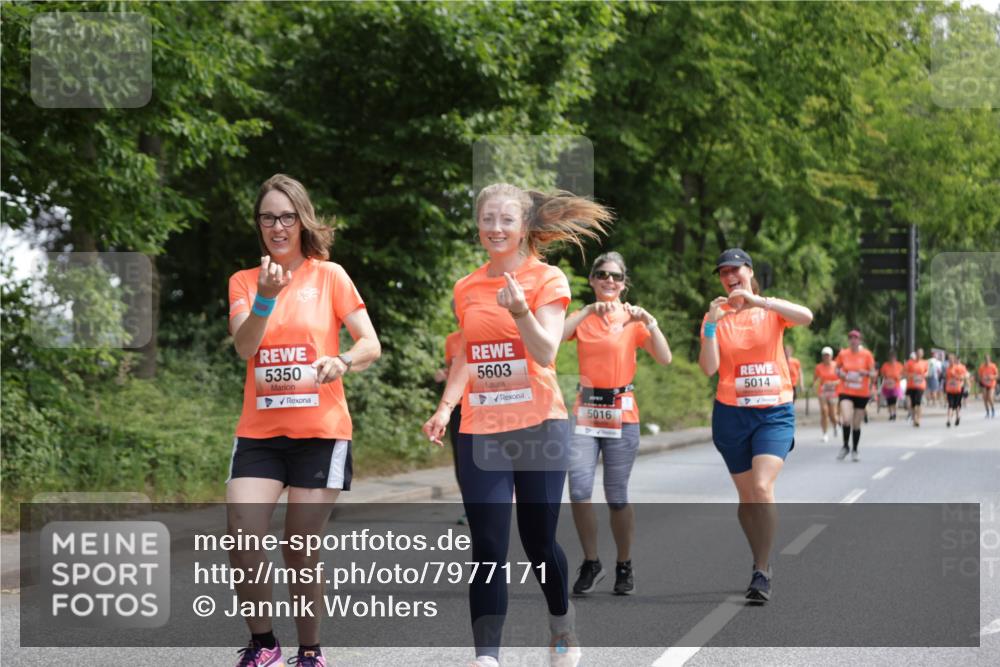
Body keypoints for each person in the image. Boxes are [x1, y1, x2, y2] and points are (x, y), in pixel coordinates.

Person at [422, 183, 612, 667]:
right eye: (487, 219)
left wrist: (521, 310)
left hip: (539, 426)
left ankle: (562, 626)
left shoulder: (547, 279)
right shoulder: (466, 287)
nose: (496, 228)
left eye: (506, 219)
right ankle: (488, 657)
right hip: (482, 428)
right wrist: (446, 406)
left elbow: (547, 351)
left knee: (539, 542)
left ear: (525, 226)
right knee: (487, 545)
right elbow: (468, 350)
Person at [226, 174, 381, 667]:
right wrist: (267, 298)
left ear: (302, 219)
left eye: (286, 216)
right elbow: (245, 347)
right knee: (242, 533)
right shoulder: (244, 282)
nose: (277, 225)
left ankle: (310, 650)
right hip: (260, 435)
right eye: (268, 217)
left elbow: (370, 343)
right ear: (259, 224)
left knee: (299, 548)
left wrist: (344, 362)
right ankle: (264, 643)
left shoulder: (329, 275)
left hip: (320, 432)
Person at [698, 248, 813, 604]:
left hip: (774, 412)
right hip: (731, 413)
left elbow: (807, 316)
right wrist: (712, 324)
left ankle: (761, 570)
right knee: (747, 498)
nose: (730, 276)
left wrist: (761, 301)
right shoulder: (715, 316)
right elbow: (708, 367)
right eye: (723, 272)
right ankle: (758, 557)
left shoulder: (770, 311)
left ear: (749, 272)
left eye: (736, 270)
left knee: (762, 487)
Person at [562, 252, 672, 597]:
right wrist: (585, 311)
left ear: (624, 284)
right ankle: (591, 561)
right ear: (593, 280)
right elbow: (551, 343)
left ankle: (624, 564)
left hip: (622, 413)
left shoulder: (634, 319)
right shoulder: (583, 317)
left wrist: (650, 323)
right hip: (587, 410)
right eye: (602, 274)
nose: (609, 280)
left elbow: (665, 358)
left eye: (616, 276)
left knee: (617, 495)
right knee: (579, 489)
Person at [834, 330, 876, 461]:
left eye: (856, 338)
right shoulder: (843, 354)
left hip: (861, 393)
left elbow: (874, 373)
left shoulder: (867, 355)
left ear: (860, 340)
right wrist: (840, 374)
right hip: (846, 390)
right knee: (846, 419)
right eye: (851, 338)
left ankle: (855, 449)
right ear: (849, 340)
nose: (853, 340)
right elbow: (836, 369)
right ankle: (845, 446)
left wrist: (866, 373)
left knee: (856, 424)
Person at [813, 346, 840, 442]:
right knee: (824, 412)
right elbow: (815, 379)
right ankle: (825, 434)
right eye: (824, 355)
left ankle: (835, 424)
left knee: (833, 415)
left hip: (833, 392)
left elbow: (841, 380)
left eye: (828, 355)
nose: (826, 357)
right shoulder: (818, 367)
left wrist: (832, 383)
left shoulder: (836, 366)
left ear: (831, 356)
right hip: (823, 392)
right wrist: (814, 385)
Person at [904, 348, 929, 427]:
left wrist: (924, 375)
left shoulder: (925, 362)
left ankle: (918, 419)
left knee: (918, 402)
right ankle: (914, 418)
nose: (919, 354)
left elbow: (927, 372)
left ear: (922, 354)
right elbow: (904, 373)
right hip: (911, 385)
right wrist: (912, 375)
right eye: (918, 353)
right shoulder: (909, 363)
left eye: (921, 353)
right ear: (916, 354)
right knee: (913, 404)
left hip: (920, 385)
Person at [945, 353, 970, 427]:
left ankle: (958, 416)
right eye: (949, 360)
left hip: (958, 389)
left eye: (952, 359)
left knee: (957, 405)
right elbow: (947, 378)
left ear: (954, 360)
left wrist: (957, 377)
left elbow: (965, 376)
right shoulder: (948, 368)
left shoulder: (959, 367)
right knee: (950, 405)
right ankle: (949, 420)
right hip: (950, 389)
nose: (950, 361)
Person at [879, 349, 904, 422]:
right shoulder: (885, 365)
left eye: (893, 357)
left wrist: (899, 377)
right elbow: (882, 374)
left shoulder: (899, 365)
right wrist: (885, 379)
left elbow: (903, 374)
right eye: (890, 357)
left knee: (894, 399)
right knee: (889, 400)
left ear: (895, 357)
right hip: (887, 385)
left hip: (896, 385)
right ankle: (891, 414)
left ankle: (894, 413)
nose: (892, 358)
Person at [978, 353, 997, 419]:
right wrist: (983, 379)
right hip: (984, 384)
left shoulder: (993, 366)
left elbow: (997, 375)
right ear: (984, 360)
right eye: (985, 359)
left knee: (990, 397)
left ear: (990, 359)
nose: (987, 360)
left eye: (988, 359)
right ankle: (987, 412)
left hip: (991, 384)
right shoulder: (982, 367)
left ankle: (993, 410)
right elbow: (979, 376)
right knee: (985, 399)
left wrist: (991, 377)